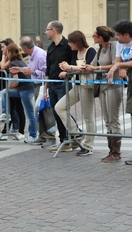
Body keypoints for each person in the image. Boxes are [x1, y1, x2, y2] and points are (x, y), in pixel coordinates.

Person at [55, 30, 97, 155]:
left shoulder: (91, 51)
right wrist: (66, 71)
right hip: (77, 86)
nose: (69, 44)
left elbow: (88, 67)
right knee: (59, 107)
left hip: (87, 87)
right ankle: (76, 132)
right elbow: (74, 68)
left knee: (88, 117)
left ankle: (88, 145)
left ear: (77, 42)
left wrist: (70, 68)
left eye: (71, 42)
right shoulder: (75, 52)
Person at [107, 20, 132, 166]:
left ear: (127, 35)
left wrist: (120, 65)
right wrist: (121, 67)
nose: (116, 37)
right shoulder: (121, 43)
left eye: (119, 35)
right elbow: (118, 60)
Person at [86, 26, 122, 163]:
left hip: (113, 86)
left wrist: (96, 68)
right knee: (107, 120)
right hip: (102, 86)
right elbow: (92, 64)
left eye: (94, 35)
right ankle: (111, 151)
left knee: (113, 119)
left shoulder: (114, 47)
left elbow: (115, 64)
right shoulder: (100, 49)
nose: (92, 36)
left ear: (100, 37)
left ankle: (116, 152)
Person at [43, 20, 74, 152]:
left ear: (53, 31)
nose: (45, 32)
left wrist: (67, 73)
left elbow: (73, 64)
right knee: (57, 113)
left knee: (63, 112)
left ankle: (74, 136)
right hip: (52, 85)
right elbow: (48, 70)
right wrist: (45, 88)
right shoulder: (50, 48)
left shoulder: (67, 45)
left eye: (47, 29)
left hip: (63, 84)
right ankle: (64, 141)